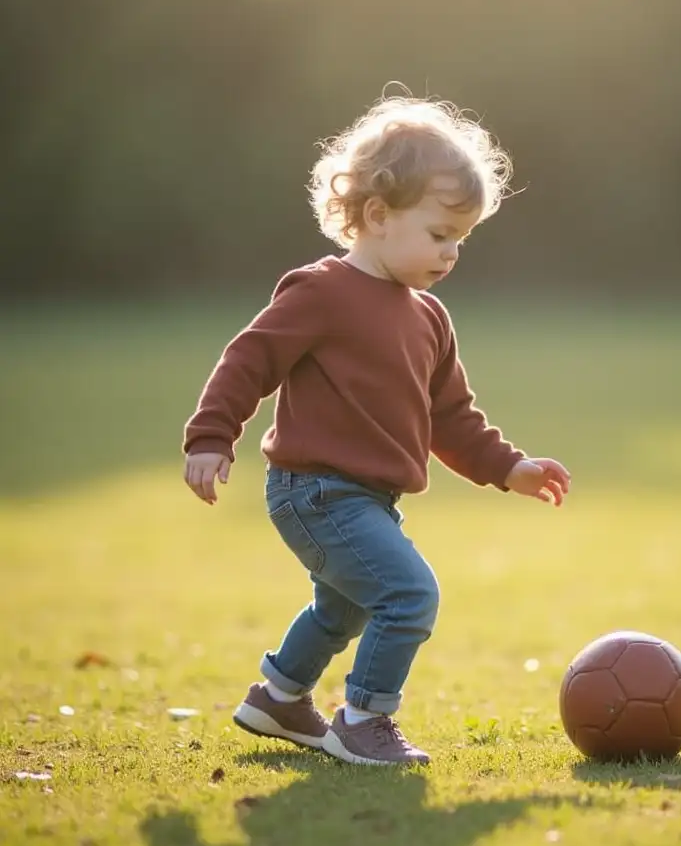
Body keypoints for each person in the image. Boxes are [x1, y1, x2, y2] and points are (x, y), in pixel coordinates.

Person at [182, 94, 571, 765]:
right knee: (408, 595)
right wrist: (212, 438)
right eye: (439, 234)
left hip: (370, 502)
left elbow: (451, 417)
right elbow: (249, 359)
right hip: (314, 492)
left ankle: (278, 697)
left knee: (343, 610)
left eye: (461, 240)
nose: (450, 254)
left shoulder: (429, 319)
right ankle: (363, 720)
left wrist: (511, 468)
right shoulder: (321, 291)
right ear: (377, 216)